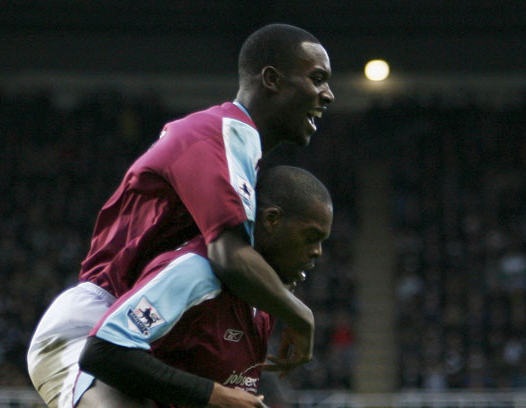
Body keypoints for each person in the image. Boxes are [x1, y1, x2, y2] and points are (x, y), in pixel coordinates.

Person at [28, 23, 334, 408]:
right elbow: (228, 255)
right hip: (102, 319)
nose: (329, 94)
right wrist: (301, 318)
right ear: (271, 79)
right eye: (317, 78)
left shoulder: (241, 153)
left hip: (154, 325)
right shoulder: (215, 134)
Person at [77, 166, 333, 407]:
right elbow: (102, 352)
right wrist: (214, 394)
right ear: (272, 219)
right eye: (311, 238)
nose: (317, 253)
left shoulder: (264, 304)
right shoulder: (196, 272)